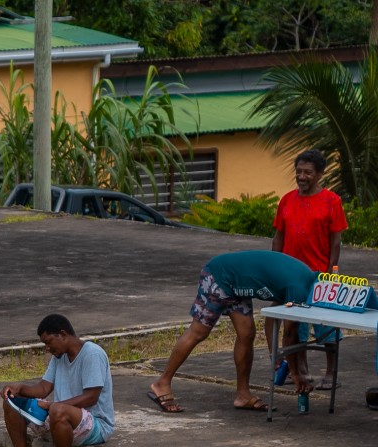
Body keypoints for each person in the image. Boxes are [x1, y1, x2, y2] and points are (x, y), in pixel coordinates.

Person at [147, 248, 320, 414]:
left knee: (247, 333)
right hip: (220, 275)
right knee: (199, 332)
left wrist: (274, 354)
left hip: (238, 283)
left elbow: (272, 318)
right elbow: (289, 334)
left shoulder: (304, 281)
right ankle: (162, 383)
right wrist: (295, 373)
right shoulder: (299, 289)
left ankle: (243, 395)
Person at [0, 314, 115, 447]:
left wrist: (51, 406)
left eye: (49, 342)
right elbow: (43, 388)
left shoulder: (92, 354)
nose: (47, 348)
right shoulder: (59, 357)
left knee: (57, 408)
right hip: (62, 417)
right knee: (11, 402)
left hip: (96, 425)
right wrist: (19, 388)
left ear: (62, 334)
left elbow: (91, 397)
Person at [271, 149, 347, 393]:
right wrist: (275, 266)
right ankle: (299, 372)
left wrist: (332, 272)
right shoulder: (286, 200)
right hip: (291, 277)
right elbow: (278, 236)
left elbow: (336, 242)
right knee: (294, 328)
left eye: (308, 172)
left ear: (320, 174)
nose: (302, 177)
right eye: (299, 172)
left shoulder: (331, 201)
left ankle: (330, 373)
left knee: (326, 326)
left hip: (319, 274)